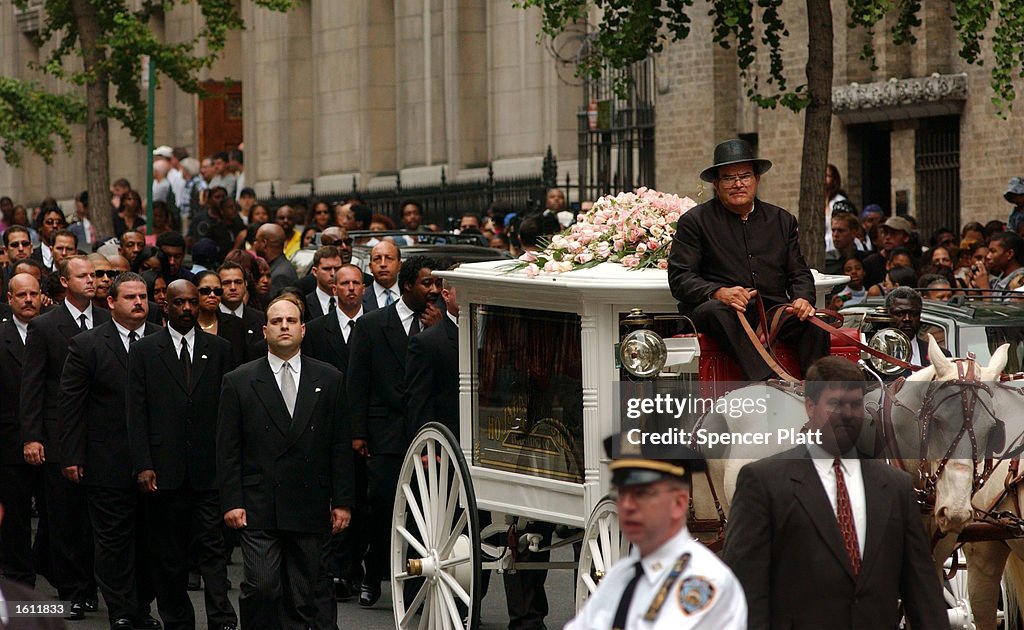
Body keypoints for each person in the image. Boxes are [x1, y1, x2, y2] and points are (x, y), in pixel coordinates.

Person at [723, 356, 947, 629]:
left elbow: (922, 591)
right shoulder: (763, 483)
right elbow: (746, 590)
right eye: (835, 404)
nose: (847, 414)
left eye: (855, 405)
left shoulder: (895, 487)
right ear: (810, 406)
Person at [217, 296, 352, 629]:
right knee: (262, 586)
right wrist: (232, 501)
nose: (284, 327)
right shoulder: (239, 380)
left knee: (306, 590)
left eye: (291, 321)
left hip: (311, 503)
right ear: (264, 331)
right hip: (259, 502)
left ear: (303, 329)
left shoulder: (330, 378)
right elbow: (228, 447)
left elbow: (340, 445)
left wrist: (344, 502)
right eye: (277, 322)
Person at [667, 138, 829, 381]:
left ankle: (818, 395)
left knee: (813, 322)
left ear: (757, 179)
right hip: (722, 312)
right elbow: (680, 277)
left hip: (773, 312)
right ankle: (767, 382)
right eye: (729, 177)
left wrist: (803, 298)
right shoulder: (695, 221)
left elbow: (798, 272)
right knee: (718, 310)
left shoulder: (781, 220)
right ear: (716, 183)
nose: (738, 183)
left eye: (744, 175)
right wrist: (718, 292)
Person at [127, 280, 238, 630]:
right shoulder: (145, 351)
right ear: (166, 306)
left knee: (214, 552)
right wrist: (143, 464)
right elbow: (136, 410)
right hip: (164, 470)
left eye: (193, 302)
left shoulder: (219, 348)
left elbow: (228, 412)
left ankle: (222, 619)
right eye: (180, 303)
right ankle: (177, 620)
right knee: (169, 554)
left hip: (209, 471)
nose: (188, 308)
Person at [58, 272, 161, 630]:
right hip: (107, 460)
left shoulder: (162, 340)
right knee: (113, 540)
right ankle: (121, 609)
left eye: (143, 296)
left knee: (149, 539)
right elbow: (72, 406)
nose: (138, 303)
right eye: (130, 297)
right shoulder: (87, 345)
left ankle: (142, 606)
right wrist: (72, 456)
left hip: (155, 459)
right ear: (111, 302)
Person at [566, 438, 746, 629]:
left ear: (678, 503)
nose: (628, 505)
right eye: (624, 493)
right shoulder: (620, 575)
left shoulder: (704, 581)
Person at [346, 255, 440, 607]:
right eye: (426, 284)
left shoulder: (440, 325)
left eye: (436, 285)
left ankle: (414, 578)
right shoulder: (372, 325)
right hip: (385, 432)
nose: (433, 291)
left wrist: (436, 332)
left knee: (423, 509)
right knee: (383, 505)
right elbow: (357, 381)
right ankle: (372, 572)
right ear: (406, 287)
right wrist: (357, 432)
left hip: (428, 432)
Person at [20, 256, 105, 620]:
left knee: (95, 519)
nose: (92, 281)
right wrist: (33, 436)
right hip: (57, 436)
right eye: (84, 276)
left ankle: (95, 587)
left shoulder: (106, 319)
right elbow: (33, 385)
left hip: (101, 434)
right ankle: (73, 592)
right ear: (65, 282)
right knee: (64, 518)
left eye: (95, 275)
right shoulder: (44, 326)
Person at [0, 274, 44, 588]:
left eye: (33, 294)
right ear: (10, 298)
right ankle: (19, 575)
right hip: (8, 439)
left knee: (56, 512)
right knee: (15, 515)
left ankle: (43, 561)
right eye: (22, 295)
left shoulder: (56, 332)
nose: (28, 300)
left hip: (52, 436)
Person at [362, 240, 402, 313]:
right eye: (377, 259)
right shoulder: (360, 298)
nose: (383, 264)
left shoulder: (411, 296)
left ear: (399, 265)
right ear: (370, 267)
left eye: (389, 258)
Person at [304, 246, 342, 321]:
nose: (333, 273)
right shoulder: (304, 305)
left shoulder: (352, 302)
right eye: (327, 269)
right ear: (315, 272)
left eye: (337, 269)